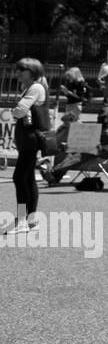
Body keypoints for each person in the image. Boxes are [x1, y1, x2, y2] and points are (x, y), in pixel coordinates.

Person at [4, 58, 49, 236]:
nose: (18, 73)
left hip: (31, 140)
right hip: (29, 140)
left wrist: (16, 111)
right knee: (28, 178)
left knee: (19, 177)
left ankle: (22, 220)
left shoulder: (36, 88)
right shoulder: (31, 88)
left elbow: (20, 110)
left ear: (32, 72)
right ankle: (31, 220)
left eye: (21, 70)